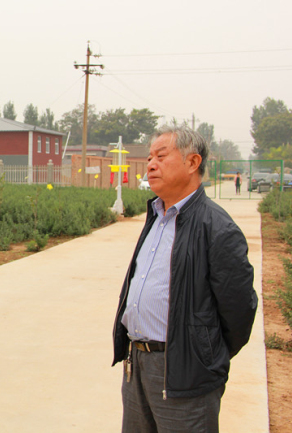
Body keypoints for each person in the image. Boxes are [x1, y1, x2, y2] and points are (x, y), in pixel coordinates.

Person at [111, 125, 257, 433]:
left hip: (185, 372)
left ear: (192, 162)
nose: (151, 165)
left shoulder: (217, 228)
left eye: (161, 156)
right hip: (136, 365)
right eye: (150, 157)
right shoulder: (156, 217)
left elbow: (239, 310)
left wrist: (203, 354)